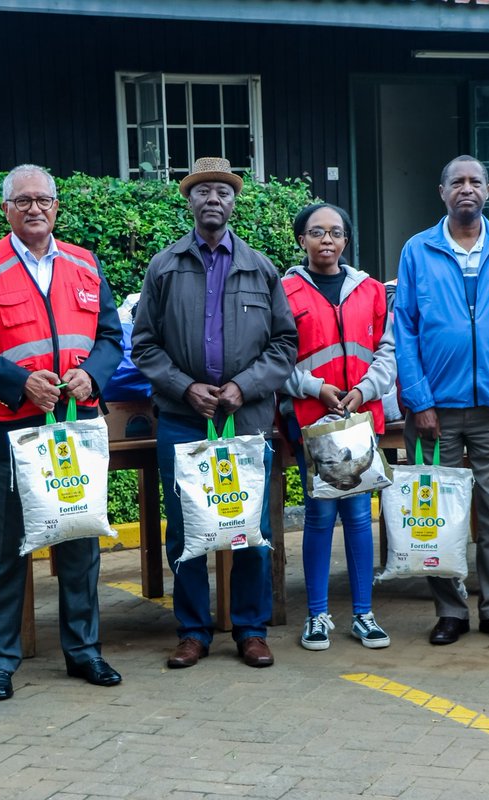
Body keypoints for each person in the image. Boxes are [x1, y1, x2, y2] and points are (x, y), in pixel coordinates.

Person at [0, 164, 123, 701]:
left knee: (79, 542)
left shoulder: (86, 264)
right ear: (6, 210)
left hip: (75, 428)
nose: (34, 208)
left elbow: (113, 338)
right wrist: (21, 383)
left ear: (56, 206)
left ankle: (84, 651)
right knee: (2, 551)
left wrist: (91, 373)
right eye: (21, 200)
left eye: (43, 200)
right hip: (10, 429)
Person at [132, 156, 297, 669]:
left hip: (244, 421)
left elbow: (284, 342)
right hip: (183, 420)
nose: (213, 200)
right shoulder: (164, 266)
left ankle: (250, 629)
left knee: (249, 527)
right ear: (189, 200)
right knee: (185, 530)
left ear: (233, 201)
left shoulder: (260, 267)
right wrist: (185, 389)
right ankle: (192, 631)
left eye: (222, 192)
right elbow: (144, 345)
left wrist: (242, 387)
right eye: (203, 191)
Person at [392, 154, 489, 647]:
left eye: (474, 181)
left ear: (488, 189)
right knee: (437, 512)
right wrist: (419, 400)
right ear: (442, 192)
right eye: (456, 181)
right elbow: (406, 330)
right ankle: (450, 611)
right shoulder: (418, 249)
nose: (466, 189)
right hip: (435, 406)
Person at [281, 203, 395, 651]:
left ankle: (364, 613)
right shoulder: (285, 290)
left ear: (346, 239)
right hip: (314, 423)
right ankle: (317, 615)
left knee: (359, 517)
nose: (326, 240)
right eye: (316, 232)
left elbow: (388, 351)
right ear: (301, 240)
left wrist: (365, 390)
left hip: (361, 420)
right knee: (319, 515)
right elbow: (277, 358)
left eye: (335, 232)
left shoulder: (370, 290)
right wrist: (314, 387)